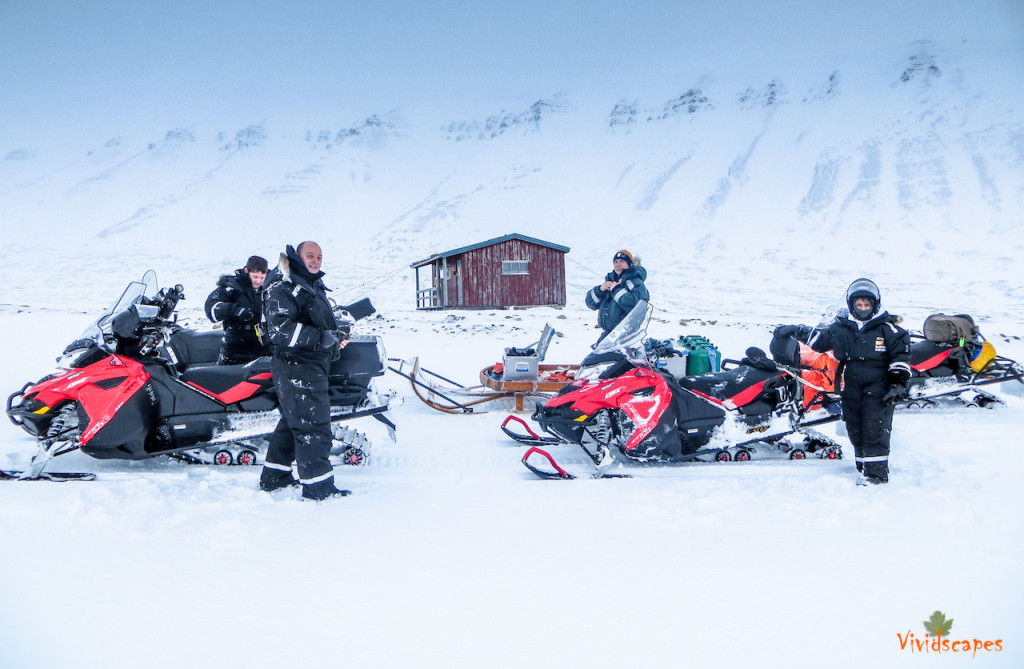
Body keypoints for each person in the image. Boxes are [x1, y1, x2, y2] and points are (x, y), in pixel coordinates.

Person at [777, 278, 911, 485]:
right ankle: (863, 467)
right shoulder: (843, 327)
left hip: (880, 385)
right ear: (851, 305)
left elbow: (900, 359)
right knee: (854, 427)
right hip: (851, 384)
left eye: (867, 304)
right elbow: (820, 342)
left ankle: (876, 476)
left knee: (874, 429)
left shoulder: (889, 329)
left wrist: (897, 384)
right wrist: (795, 330)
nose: (863, 308)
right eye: (859, 304)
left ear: (875, 304)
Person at [258, 241, 350, 500]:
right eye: (310, 255)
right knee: (313, 426)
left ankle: (274, 478)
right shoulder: (283, 285)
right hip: (296, 366)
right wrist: (324, 338)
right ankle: (319, 489)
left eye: (319, 257)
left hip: (309, 364)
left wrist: (334, 335)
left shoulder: (308, 283)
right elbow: (281, 331)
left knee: (292, 423)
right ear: (297, 256)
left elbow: (315, 321)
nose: (316, 261)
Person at [204, 255, 269, 365]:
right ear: (246, 271)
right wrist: (234, 310)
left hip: (265, 347)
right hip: (236, 349)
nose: (259, 281)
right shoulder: (232, 286)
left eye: (262, 277)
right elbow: (211, 307)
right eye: (255, 277)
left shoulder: (272, 285)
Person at [585, 250, 649, 344]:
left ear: (630, 264)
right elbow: (591, 303)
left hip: (626, 337)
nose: (618, 264)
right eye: (616, 262)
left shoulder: (635, 282)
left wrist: (616, 290)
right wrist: (600, 290)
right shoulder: (611, 281)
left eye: (622, 261)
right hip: (609, 336)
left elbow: (637, 307)